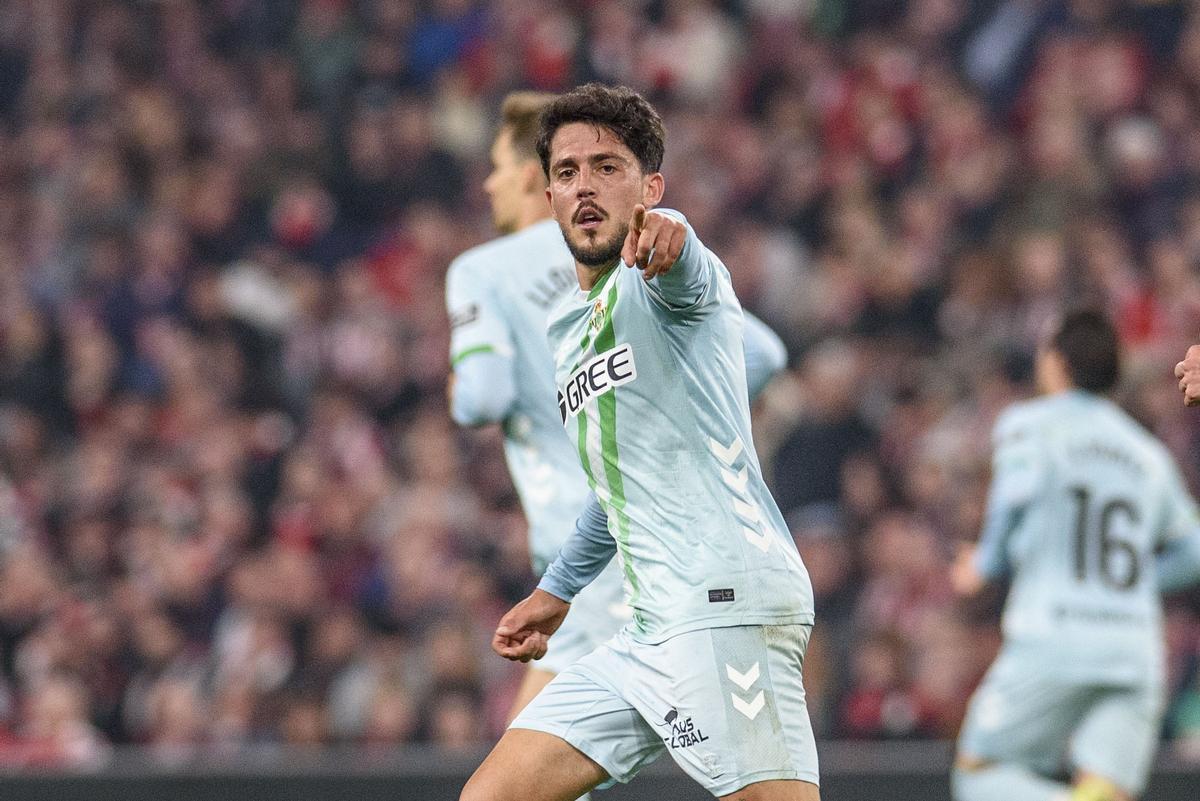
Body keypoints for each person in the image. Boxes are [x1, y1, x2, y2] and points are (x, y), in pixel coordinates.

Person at [459, 84, 819, 801]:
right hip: (644, 629)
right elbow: (615, 486)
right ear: (548, 192)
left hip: (727, 607)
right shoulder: (570, 328)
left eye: (607, 166)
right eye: (566, 172)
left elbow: (679, 256)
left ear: (648, 185)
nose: (584, 186)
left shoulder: (671, 278)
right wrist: (556, 590)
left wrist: (671, 238)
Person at [952, 309, 1200, 801]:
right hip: (1133, 646)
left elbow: (1011, 501)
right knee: (1102, 790)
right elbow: (1194, 553)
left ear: (1056, 362)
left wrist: (983, 564)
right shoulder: (1147, 453)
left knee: (979, 774)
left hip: (1053, 636)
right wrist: (1129, 585)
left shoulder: (1030, 425)